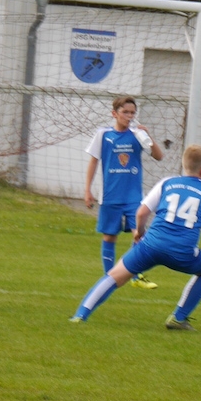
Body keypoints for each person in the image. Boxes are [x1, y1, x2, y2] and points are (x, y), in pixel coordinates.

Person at [71, 144, 201, 330]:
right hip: (182, 252)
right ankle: (178, 318)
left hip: (151, 245)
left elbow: (142, 213)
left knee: (115, 276)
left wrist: (140, 232)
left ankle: (80, 315)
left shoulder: (167, 183)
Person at [85, 96, 164, 289]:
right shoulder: (103, 135)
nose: (129, 116)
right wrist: (87, 190)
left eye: (132, 113)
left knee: (140, 235)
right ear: (115, 113)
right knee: (109, 236)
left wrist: (149, 137)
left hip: (133, 197)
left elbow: (159, 156)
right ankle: (109, 277)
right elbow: (93, 161)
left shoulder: (137, 135)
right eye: (125, 112)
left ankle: (135, 275)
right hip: (110, 196)